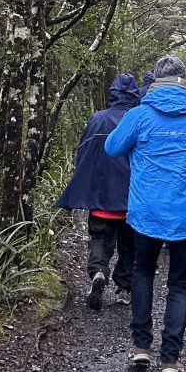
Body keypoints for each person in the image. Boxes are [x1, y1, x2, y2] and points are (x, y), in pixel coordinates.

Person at [105, 52, 186, 372]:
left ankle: (141, 346)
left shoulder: (140, 115)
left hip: (146, 212)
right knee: (180, 284)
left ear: (156, 80)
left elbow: (112, 148)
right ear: (183, 80)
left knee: (143, 272)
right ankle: (170, 358)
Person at [56, 74, 141, 309]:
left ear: (112, 93)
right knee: (129, 245)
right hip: (132, 200)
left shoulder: (97, 120)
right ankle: (124, 288)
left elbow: (83, 155)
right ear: (135, 95)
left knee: (99, 238)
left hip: (101, 196)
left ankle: (97, 272)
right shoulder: (139, 119)